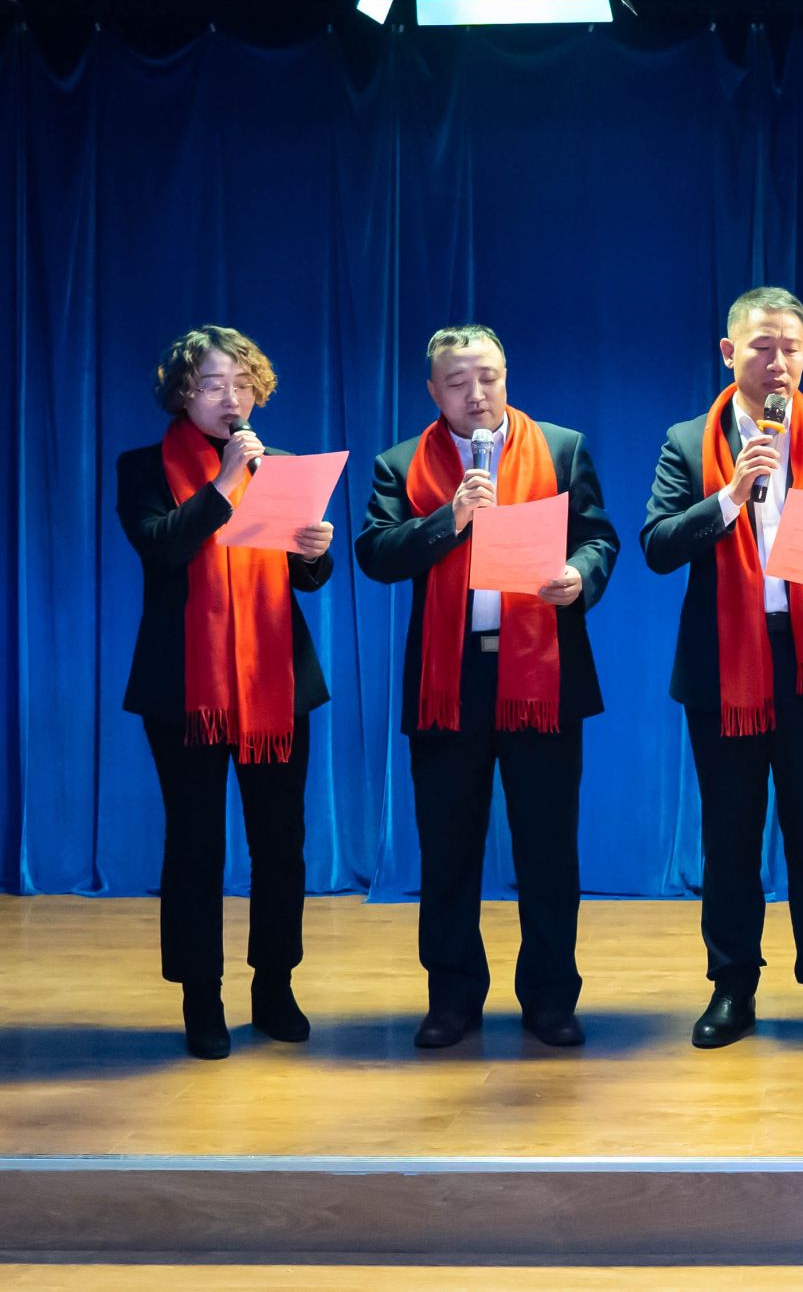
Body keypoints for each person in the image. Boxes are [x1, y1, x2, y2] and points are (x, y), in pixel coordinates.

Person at [642, 288, 803, 1049]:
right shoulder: (688, 441)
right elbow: (658, 545)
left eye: (790, 347)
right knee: (730, 836)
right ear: (729, 353)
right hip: (726, 665)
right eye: (761, 346)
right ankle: (732, 987)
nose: (777, 360)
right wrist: (729, 496)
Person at [357, 325, 619, 1050]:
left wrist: (579, 577)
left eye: (489, 377)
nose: (477, 394)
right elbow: (376, 553)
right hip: (450, 679)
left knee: (548, 850)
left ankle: (550, 998)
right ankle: (451, 999)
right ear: (432, 390)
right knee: (447, 850)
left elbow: (599, 537)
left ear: (506, 376)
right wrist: (450, 518)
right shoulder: (401, 464)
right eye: (458, 382)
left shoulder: (561, 448)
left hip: (543, 672)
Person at [116, 325, 335, 1060]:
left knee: (281, 842)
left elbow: (303, 578)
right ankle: (200, 996)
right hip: (186, 686)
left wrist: (314, 553)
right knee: (195, 843)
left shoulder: (279, 469)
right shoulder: (143, 467)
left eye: (243, 385)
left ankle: (275, 984)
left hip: (277, 681)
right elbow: (162, 547)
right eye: (214, 385)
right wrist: (224, 484)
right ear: (183, 393)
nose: (231, 399)